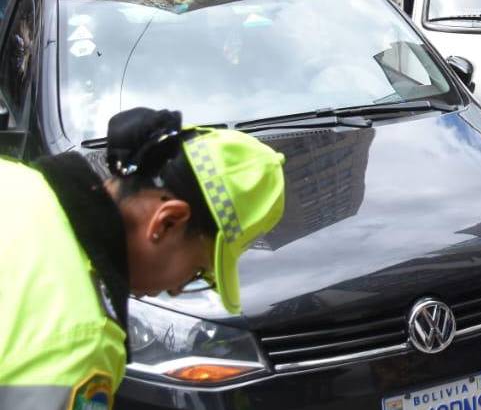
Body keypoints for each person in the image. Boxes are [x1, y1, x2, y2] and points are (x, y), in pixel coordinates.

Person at [0, 107, 285, 407]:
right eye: (198, 272)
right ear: (167, 222)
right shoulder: (78, 337)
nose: (176, 290)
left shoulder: (16, 180)